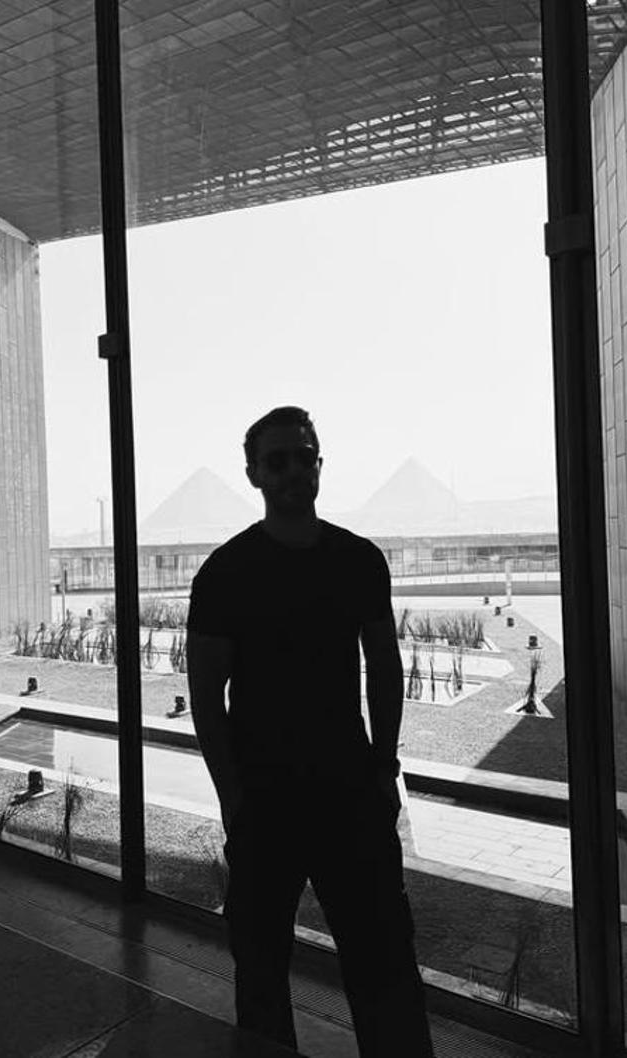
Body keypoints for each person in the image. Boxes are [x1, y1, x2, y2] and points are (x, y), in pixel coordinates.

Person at [185, 406, 435, 1057]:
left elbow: (385, 667)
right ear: (254, 473)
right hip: (266, 802)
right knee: (263, 978)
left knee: (384, 971)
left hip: (350, 793)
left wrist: (383, 768)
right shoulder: (225, 573)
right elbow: (205, 697)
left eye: (304, 456)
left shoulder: (358, 561)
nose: (294, 470)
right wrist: (234, 798)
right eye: (279, 460)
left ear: (319, 464)